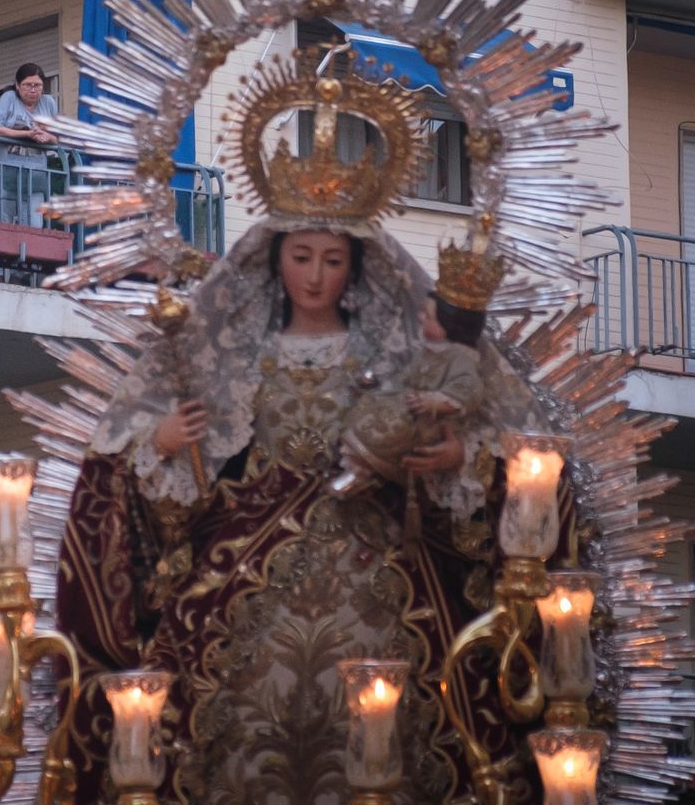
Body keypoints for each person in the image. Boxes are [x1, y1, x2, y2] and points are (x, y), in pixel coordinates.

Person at [58, 222, 525, 805]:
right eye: (301, 257)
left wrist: (453, 454)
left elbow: (477, 427)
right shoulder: (234, 356)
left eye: (331, 260)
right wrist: (163, 440)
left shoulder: (396, 354)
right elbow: (142, 472)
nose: (314, 276)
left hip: (377, 559)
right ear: (274, 261)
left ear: (353, 268)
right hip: (249, 554)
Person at [332, 291, 487, 495]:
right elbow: (406, 375)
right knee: (368, 409)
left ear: (449, 326)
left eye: (429, 316)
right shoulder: (430, 351)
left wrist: (434, 402)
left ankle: (360, 472)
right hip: (409, 403)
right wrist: (380, 382)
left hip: (426, 420)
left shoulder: (460, 359)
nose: (421, 317)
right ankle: (350, 463)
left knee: (387, 428)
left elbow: (469, 390)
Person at [0, 63, 59, 227]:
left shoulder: (48, 102)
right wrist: (26, 134)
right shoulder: (9, 98)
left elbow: (59, 137)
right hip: (3, 175)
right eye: (27, 85)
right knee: (4, 225)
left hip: (35, 177)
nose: (33, 89)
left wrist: (47, 136)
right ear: (17, 85)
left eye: (37, 85)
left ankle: (29, 254)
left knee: (35, 225)